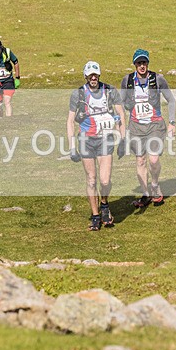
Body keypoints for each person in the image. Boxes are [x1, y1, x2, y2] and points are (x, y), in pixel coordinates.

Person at [67, 61, 126, 231]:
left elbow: (120, 113)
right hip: (86, 140)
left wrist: (123, 139)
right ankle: (95, 216)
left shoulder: (109, 91)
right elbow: (70, 121)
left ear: (99, 75)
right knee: (92, 180)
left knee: (105, 180)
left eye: (96, 74)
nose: (93, 78)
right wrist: (72, 147)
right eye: (90, 75)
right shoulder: (78, 94)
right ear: (86, 76)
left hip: (105, 139)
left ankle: (104, 204)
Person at [120, 49, 176, 208]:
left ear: (148, 63)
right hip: (136, 126)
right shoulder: (127, 81)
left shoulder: (158, 79)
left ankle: (155, 184)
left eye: (144, 62)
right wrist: (120, 122)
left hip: (155, 125)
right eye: (139, 63)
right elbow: (121, 102)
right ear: (134, 65)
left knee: (153, 158)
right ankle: (145, 194)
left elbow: (171, 100)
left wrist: (172, 122)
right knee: (140, 159)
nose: (142, 66)